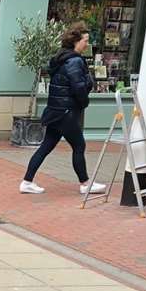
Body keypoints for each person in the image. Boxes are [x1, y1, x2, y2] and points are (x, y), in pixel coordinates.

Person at [19, 27, 107, 198]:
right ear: (76, 41)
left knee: (46, 147)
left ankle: (27, 182)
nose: (87, 44)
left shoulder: (61, 59)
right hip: (66, 112)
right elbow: (79, 87)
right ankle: (85, 184)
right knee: (79, 146)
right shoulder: (74, 61)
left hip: (55, 111)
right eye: (85, 40)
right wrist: (85, 100)